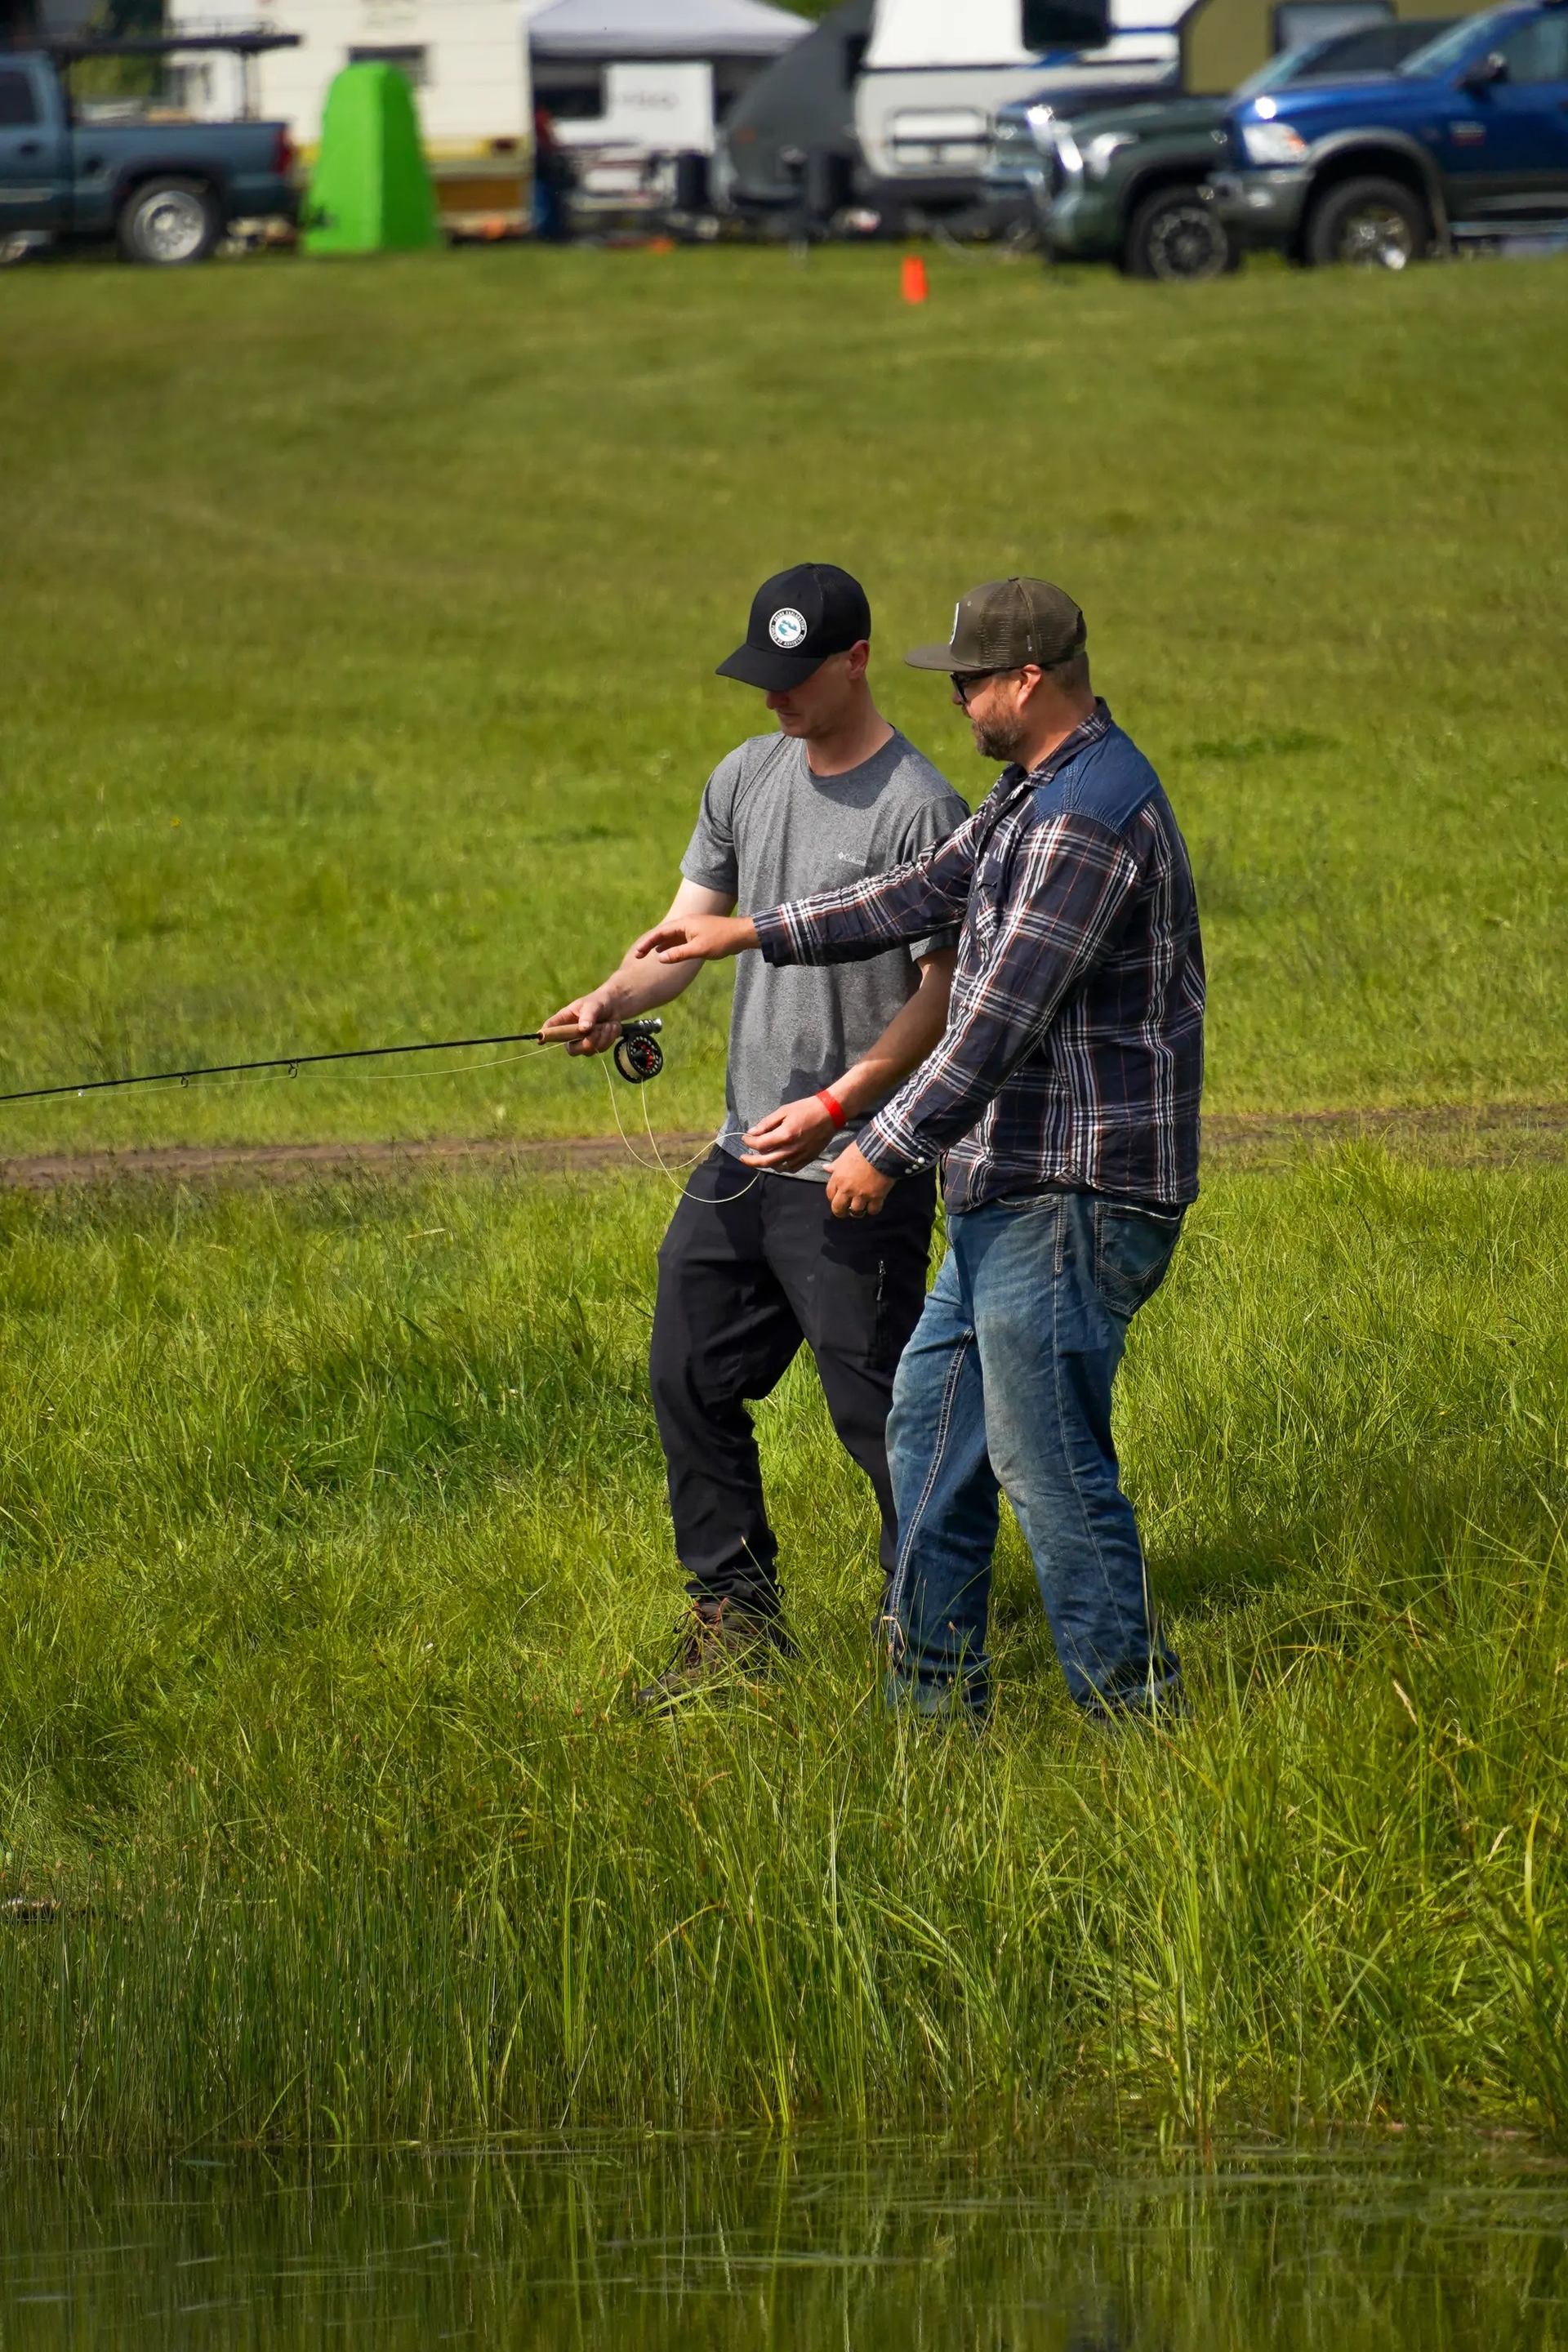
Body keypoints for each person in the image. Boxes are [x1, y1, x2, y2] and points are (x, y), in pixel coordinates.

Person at [637, 577, 1205, 1726]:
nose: (956, 699)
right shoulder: (1026, 796)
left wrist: (874, 1143)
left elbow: (992, 1023)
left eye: (970, 680)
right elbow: (912, 895)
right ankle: (935, 1716)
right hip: (1009, 1187)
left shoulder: (1086, 817)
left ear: (1029, 681)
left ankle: (1140, 1723)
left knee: (1049, 1469)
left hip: (1074, 1191)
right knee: (930, 1435)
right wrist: (751, 929)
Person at [543, 564, 967, 1705]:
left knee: (879, 1414)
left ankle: (924, 1623)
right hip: (743, 1156)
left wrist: (846, 1105)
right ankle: (735, 1622)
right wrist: (609, 1001)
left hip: (856, 1165)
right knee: (686, 1374)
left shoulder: (921, 809)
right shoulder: (743, 775)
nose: (773, 698)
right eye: (761, 676)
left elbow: (940, 999)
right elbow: (684, 937)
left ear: (857, 662)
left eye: (794, 678)